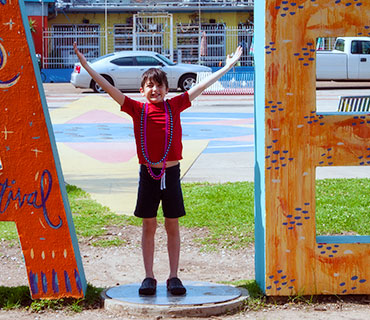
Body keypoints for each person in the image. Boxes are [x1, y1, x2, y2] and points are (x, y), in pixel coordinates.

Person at [73, 42, 243, 296]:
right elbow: (109, 88)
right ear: (142, 90)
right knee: (149, 225)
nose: (155, 89)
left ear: (166, 88)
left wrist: (228, 66)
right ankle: (149, 276)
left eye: (159, 85)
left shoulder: (174, 106)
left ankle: (173, 276)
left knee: (172, 225)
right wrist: (86, 66)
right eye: (150, 86)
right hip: (148, 175)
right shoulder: (136, 109)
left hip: (171, 175)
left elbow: (202, 86)